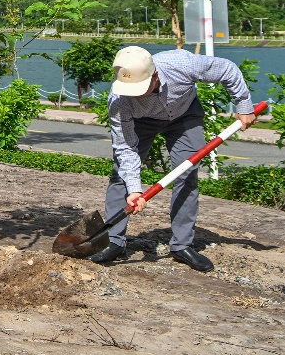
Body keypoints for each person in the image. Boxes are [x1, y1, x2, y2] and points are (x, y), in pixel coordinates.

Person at [91, 45, 257, 272]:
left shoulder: (181, 63)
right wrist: (135, 190)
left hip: (184, 115)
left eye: (140, 88)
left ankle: (181, 246)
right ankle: (114, 242)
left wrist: (244, 104)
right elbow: (125, 148)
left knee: (187, 174)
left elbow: (227, 69)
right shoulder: (120, 99)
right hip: (142, 123)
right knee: (121, 175)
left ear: (155, 75)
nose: (135, 95)